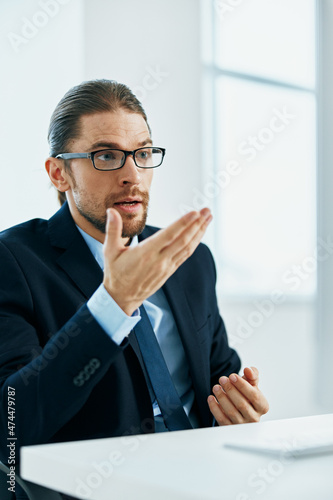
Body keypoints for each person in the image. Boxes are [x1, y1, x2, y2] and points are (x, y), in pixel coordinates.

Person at [0, 80, 268, 499]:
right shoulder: (13, 262)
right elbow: (12, 423)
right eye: (106, 155)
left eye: (143, 154)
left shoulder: (191, 260)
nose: (132, 175)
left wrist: (239, 409)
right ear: (59, 172)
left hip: (206, 480)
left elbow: (218, 379)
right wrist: (112, 304)